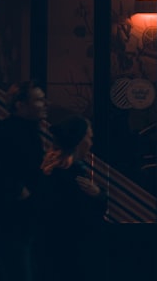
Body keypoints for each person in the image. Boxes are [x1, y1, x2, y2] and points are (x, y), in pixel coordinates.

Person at [0, 80, 49, 281]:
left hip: (20, 222)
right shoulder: (8, 134)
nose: (44, 104)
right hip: (13, 224)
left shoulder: (21, 132)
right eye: (39, 100)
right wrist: (19, 191)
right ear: (20, 104)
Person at [34, 115, 107, 281]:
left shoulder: (51, 170)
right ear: (79, 141)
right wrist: (98, 195)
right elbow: (85, 213)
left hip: (54, 251)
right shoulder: (72, 174)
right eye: (89, 137)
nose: (91, 143)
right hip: (72, 252)